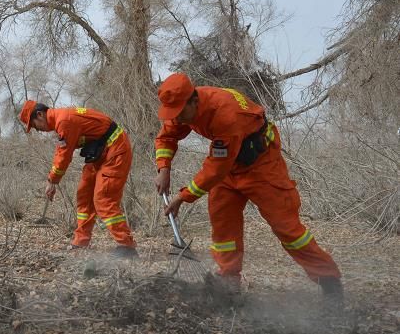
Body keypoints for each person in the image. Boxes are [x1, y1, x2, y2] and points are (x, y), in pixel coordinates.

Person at [154, 73, 342, 299]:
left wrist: (182, 197)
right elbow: (166, 136)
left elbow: (216, 169)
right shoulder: (180, 105)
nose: (177, 118)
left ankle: (329, 280)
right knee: (223, 224)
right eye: (172, 114)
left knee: (288, 228)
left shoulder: (226, 114)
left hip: (261, 165)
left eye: (180, 113)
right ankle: (229, 281)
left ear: (194, 101)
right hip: (228, 166)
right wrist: (164, 167)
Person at [19, 100, 138, 257]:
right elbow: (60, 151)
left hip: (115, 151)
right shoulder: (61, 121)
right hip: (98, 154)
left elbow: (64, 156)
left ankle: (127, 246)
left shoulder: (64, 121)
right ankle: (81, 241)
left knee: (103, 199)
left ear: (40, 115)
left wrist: (53, 181)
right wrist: (51, 179)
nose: (38, 130)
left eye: (34, 125)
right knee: (84, 195)